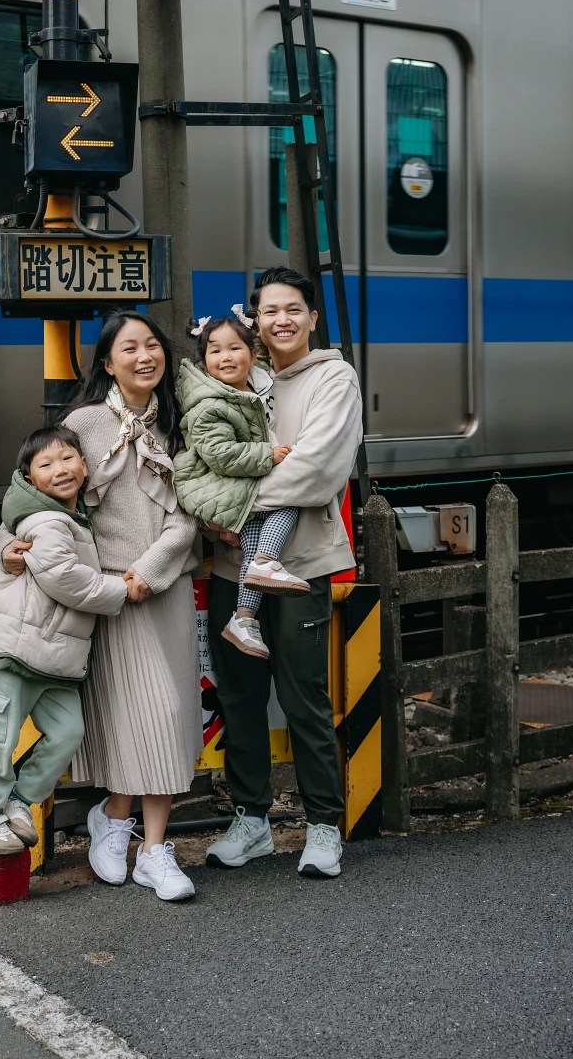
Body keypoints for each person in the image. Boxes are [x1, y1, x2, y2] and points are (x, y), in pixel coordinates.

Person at [0, 311, 201, 902]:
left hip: (161, 589)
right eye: (129, 348)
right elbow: (28, 495)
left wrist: (150, 570)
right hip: (105, 595)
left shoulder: (181, 425)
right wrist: (7, 548)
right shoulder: (83, 423)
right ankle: (115, 820)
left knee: (166, 716)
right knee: (125, 719)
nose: (145, 356)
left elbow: (188, 513)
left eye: (153, 346)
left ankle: (151, 849)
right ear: (107, 362)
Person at [205, 266, 363, 880]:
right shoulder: (245, 375)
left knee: (304, 696)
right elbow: (207, 457)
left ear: (312, 318)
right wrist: (213, 509)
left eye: (293, 309)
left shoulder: (333, 377)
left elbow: (319, 471)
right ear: (255, 320)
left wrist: (229, 505)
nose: (282, 320)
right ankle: (252, 822)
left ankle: (323, 825)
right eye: (269, 311)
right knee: (239, 695)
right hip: (229, 565)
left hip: (302, 564)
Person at [0, 425, 128, 855]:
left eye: (68, 458)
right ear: (29, 478)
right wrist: (122, 591)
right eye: (46, 464)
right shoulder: (49, 520)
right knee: (0, 734)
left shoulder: (68, 517)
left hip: (52, 654)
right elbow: (65, 580)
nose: (60, 469)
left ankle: (18, 801)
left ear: (86, 465)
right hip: (14, 648)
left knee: (68, 732)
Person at [173, 309, 310, 662]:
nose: (225, 357)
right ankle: (266, 561)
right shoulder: (209, 404)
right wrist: (267, 454)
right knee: (288, 501)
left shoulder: (259, 387)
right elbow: (220, 454)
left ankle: (243, 618)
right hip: (216, 483)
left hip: (233, 482)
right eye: (214, 351)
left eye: (234, 348)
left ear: (253, 353)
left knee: (252, 547)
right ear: (203, 361)